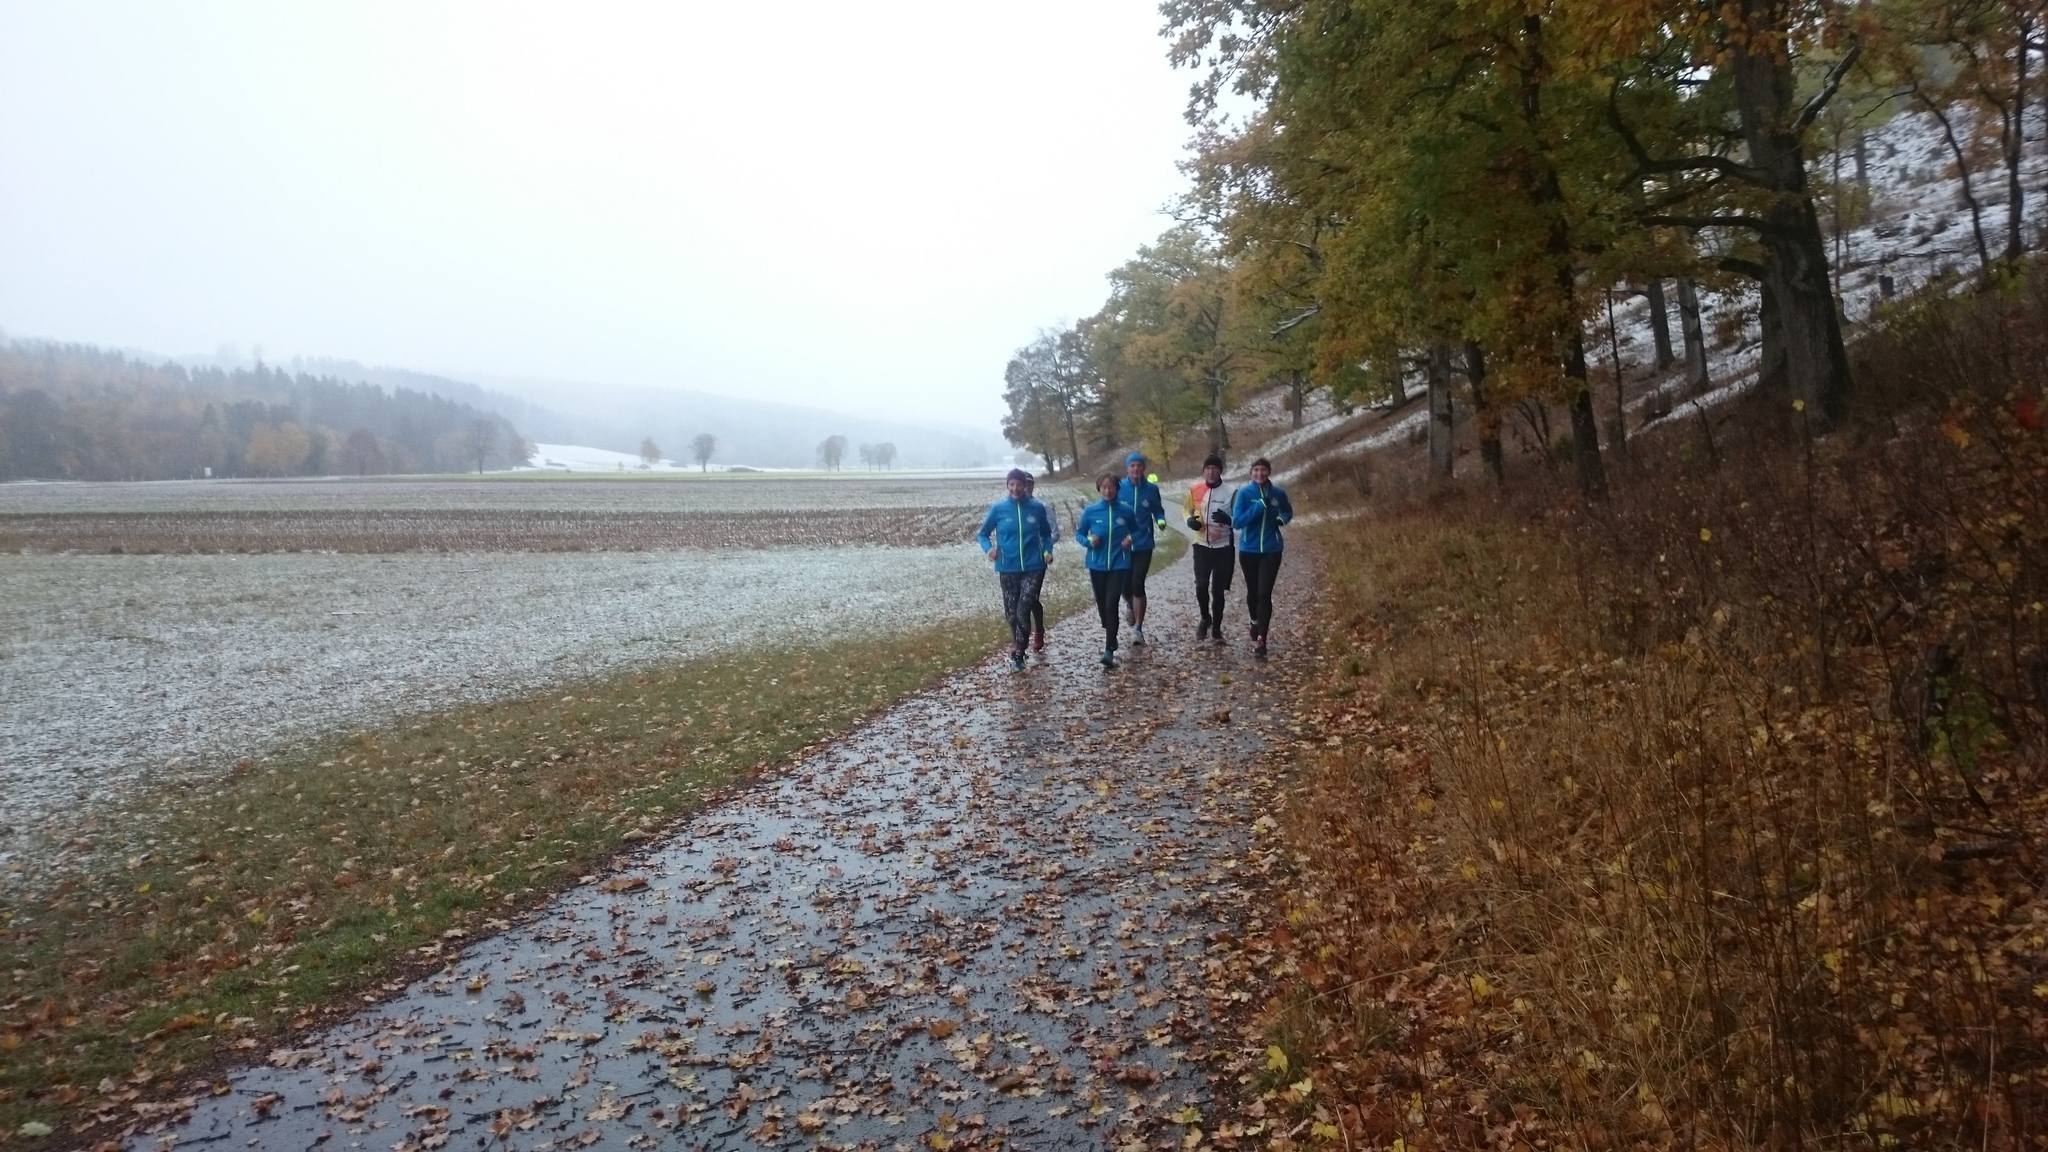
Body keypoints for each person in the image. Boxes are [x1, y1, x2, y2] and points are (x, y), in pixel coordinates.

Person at [976, 468, 1052, 672]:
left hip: (1034, 566)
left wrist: (1047, 551)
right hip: (1007, 566)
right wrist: (989, 549)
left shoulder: (1037, 508)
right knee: (1011, 614)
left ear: (1025, 486)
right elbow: (982, 534)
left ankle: (1019, 654)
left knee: (1023, 608)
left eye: (1019, 484)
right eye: (1012, 484)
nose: (1016, 488)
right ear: (1007, 486)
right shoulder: (998, 509)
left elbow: (1046, 535)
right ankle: (1019, 642)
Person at [1230, 457, 1293, 658]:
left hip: (1272, 549)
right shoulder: (1244, 493)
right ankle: (1254, 621)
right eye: (1256, 470)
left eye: (1263, 470)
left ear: (1269, 472)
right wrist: (1258, 506)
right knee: (1253, 592)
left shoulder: (1278, 493)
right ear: (1251, 473)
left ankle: (1261, 639)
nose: (1260, 473)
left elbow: (1287, 511)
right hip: (1248, 549)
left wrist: (1282, 518)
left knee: (1264, 593)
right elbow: (1237, 522)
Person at [1075, 471, 1138, 670]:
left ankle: (1109, 649)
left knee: (1111, 604)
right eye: (1104, 487)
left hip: (1119, 564)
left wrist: (1130, 540)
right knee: (1103, 606)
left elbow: (1136, 530)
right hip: (1096, 564)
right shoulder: (1091, 511)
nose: (1108, 491)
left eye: (1111, 487)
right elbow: (1079, 534)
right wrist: (1089, 541)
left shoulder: (1126, 511)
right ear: (1099, 489)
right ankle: (1109, 628)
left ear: (1117, 489)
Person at [1182, 453, 1235, 642]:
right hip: (1202, 545)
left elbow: (1240, 517)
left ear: (1220, 471)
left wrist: (1229, 520)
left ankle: (1217, 629)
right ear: (1203, 471)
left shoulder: (1231, 492)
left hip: (1223, 546)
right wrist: (1189, 521)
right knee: (1201, 585)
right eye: (1208, 468)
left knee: (1218, 590)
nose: (1211, 472)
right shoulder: (1195, 489)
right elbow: (1185, 509)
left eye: (1215, 468)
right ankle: (1205, 618)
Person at [1115, 453, 1167, 645]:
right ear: (1127, 468)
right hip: (1123, 544)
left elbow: (1158, 509)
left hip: (1144, 542)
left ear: (1144, 468)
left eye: (1139, 465)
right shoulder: (1119, 487)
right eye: (1132, 466)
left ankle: (1138, 629)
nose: (1136, 469)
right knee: (1124, 586)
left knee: (1138, 583)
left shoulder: (1151, 489)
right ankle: (1129, 604)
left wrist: (1160, 520)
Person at [1023, 474, 1056, 652]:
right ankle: (1021, 638)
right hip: (1016, 561)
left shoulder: (1042, 507)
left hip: (1037, 561)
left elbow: (1053, 532)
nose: (1025, 488)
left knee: (1031, 598)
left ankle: (1038, 630)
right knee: (1020, 599)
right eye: (1023, 484)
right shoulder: (1011, 507)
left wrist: (1045, 550)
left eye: (1028, 484)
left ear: (1033, 486)